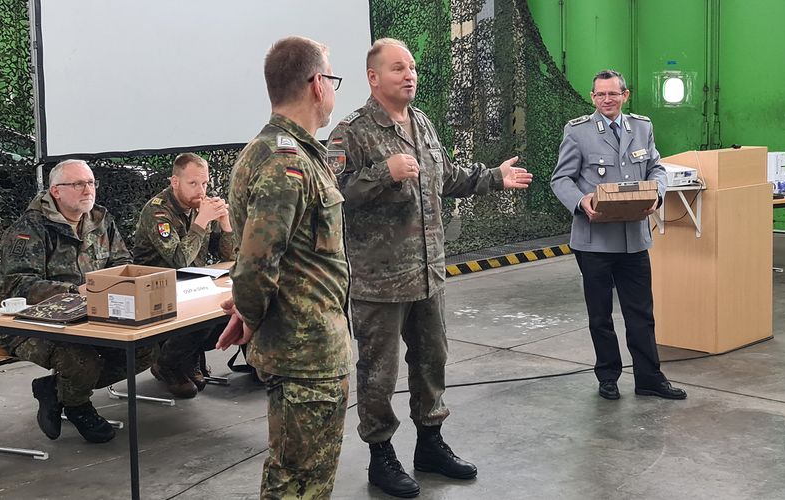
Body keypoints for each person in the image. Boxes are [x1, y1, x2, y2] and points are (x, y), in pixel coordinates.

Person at [327, 38, 533, 498]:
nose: (410, 74)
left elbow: (446, 177)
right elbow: (331, 193)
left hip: (428, 273)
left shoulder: (421, 123)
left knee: (432, 361)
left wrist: (494, 177)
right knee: (378, 372)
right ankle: (381, 456)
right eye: (398, 68)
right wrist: (384, 172)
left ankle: (430, 444)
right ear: (373, 77)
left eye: (413, 67)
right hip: (379, 282)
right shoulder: (351, 132)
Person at [214, 36, 352, 500]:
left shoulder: (274, 150)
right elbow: (256, 263)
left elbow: (269, 257)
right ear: (317, 85)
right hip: (305, 353)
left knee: (300, 473)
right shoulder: (284, 161)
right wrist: (250, 315)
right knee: (299, 480)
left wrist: (249, 312)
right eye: (331, 79)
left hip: (305, 346)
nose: (333, 89)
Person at [550, 69, 687, 402]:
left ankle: (649, 378)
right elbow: (561, 179)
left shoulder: (642, 127)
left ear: (626, 95)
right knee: (600, 315)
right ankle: (608, 377)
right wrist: (582, 202)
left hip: (634, 239)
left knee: (641, 312)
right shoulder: (578, 132)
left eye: (613, 94)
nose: (606, 100)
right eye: (600, 95)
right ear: (593, 97)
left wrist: (657, 193)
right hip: (594, 240)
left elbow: (655, 167)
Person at [0, 159, 157, 443]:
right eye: (78, 184)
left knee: (145, 349)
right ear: (56, 191)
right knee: (80, 360)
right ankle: (77, 405)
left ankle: (58, 389)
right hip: (32, 322)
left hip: (91, 315)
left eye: (91, 182)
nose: (88, 189)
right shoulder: (30, 228)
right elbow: (17, 284)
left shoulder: (100, 219)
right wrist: (74, 290)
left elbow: (122, 261)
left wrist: (113, 285)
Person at [131, 152, 236, 398]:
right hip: (157, 288)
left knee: (226, 310)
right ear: (174, 182)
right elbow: (178, 260)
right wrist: (201, 223)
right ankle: (166, 363)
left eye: (205, 183)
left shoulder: (198, 208)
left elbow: (229, 256)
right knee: (201, 319)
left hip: (192, 284)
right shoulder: (158, 212)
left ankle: (186, 357)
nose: (201, 191)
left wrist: (225, 223)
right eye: (193, 184)